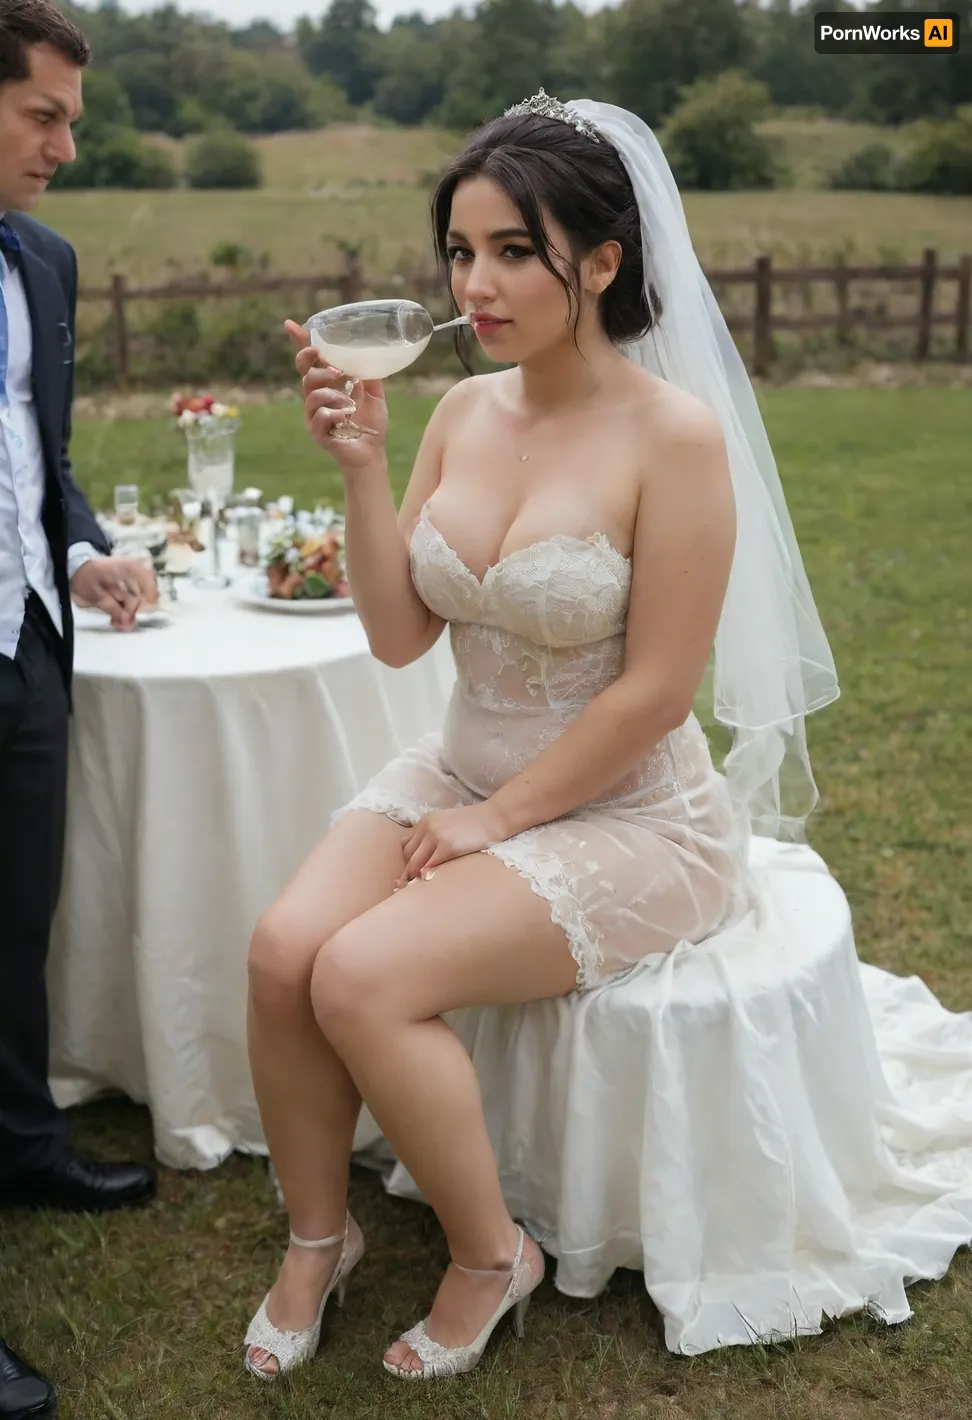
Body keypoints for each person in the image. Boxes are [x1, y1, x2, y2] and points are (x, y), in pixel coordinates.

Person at [245, 91, 971, 1384]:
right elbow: (401, 636)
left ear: (600, 262)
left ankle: (492, 1257)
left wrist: (493, 823)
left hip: (628, 809)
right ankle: (319, 1236)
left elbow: (656, 691)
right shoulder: (461, 415)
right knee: (281, 952)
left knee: (359, 976)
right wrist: (360, 468)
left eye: (513, 252)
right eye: (459, 252)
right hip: (462, 760)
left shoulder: (672, 436)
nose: (476, 285)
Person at [0, 2, 158, 1414]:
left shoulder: (41, 259)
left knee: (17, 920)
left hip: (27, 648)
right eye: (42, 116)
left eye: (71, 122)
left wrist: (84, 546)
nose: (63, 148)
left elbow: (35, 458)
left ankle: (22, 1145)